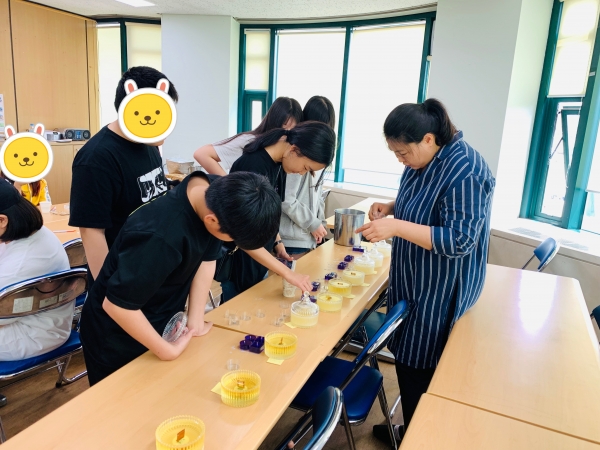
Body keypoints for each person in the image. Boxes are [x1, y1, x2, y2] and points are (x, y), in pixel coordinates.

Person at [359, 99, 495, 445]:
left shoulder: (465, 169)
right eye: (395, 153)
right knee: (408, 360)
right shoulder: (425, 159)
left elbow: (460, 239)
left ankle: (420, 438)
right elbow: (427, 203)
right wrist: (392, 207)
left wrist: (396, 226)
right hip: (414, 279)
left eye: (402, 152)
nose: (399, 160)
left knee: (420, 366)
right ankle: (411, 430)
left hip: (440, 289)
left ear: (429, 139)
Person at [79, 171, 283, 385]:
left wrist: (196, 320)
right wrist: (166, 350)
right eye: (231, 239)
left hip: (158, 317)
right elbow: (118, 306)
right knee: (125, 399)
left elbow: (207, 257)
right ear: (211, 220)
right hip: (116, 336)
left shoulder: (215, 193)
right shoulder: (159, 236)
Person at [69, 66, 176, 291]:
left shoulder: (148, 144)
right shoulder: (96, 158)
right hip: (123, 280)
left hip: (152, 268)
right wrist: (111, 292)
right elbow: (91, 232)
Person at [224, 121, 336, 300]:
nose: (301, 173)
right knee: (238, 308)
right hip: (240, 263)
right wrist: (288, 273)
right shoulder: (253, 166)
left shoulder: (279, 165)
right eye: (305, 168)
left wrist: (278, 243)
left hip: (259, 260)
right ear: (294, 150)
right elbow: (244, 236)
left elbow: (271, 215)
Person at [0, 181, 72, 361]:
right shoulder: (28, 231)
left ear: (2, 220)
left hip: (33, 334)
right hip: (36, 318)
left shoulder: (20, 265)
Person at [280, 96, 336, 258]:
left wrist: (320, 223)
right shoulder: (297, 156)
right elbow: (286, 200)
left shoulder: (318, 157)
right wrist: (313, 223)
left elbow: (319, 196)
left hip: (307, 236)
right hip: (291, 240)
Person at [193, 97, 303, 175]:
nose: (285, 135)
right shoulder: (250, 141)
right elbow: (201, 154)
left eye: (291, 131)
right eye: (283, 129)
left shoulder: (285, 156)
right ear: (272, 122)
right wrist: (225, 183)